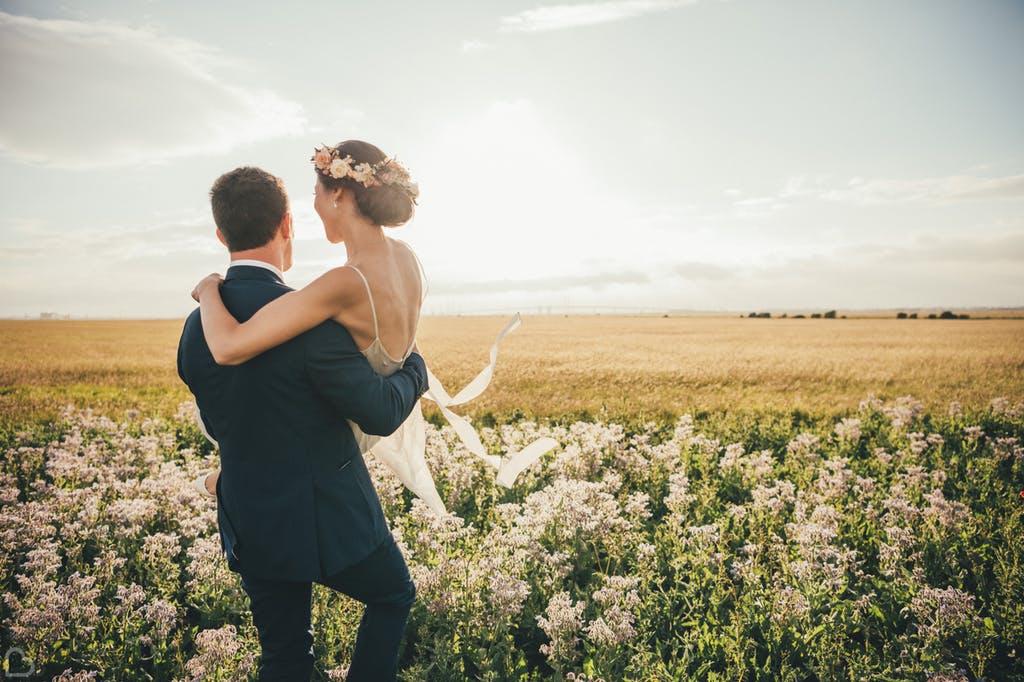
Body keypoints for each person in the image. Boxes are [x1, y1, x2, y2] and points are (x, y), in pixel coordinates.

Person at [191, 141, 556, 517]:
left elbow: (228, 346)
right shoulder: (406, 258)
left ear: (338, 194)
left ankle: (230, 479)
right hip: (383, 408)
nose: (313, 205)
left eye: (316, 193)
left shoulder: (344, 283)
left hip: (347, 427)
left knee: (251, 404)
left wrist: (208, 289)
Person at [177, 163, 428, 681]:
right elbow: (380, 410)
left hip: (251, 515)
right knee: (393, 594)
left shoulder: (194, 329)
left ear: (221, 234)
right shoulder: (311, 321)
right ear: (288, 225)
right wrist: (417, 370)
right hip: (333, 519)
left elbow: (219, 416)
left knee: (286, 657)